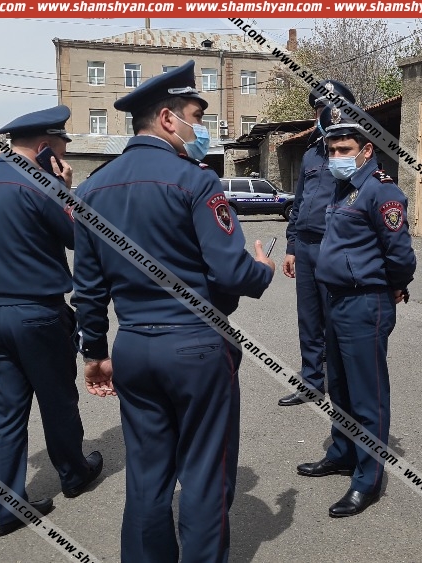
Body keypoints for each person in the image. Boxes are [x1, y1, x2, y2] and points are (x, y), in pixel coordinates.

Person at [72, 61, 275, 562]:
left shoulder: (92, 189)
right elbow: (231, 272)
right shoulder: (195, 182)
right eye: (196, 117)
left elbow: (89, 289)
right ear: (167, 119)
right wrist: (262, 270)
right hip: (196, 346)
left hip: (134, 346)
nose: (201, 129)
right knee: (204, 474)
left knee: (146, 475)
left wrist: (94, 353)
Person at [0, 105, 103, 537]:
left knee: (1, 414)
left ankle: (5, 510)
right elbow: (80, 239)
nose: (64, 157)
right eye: (62, 148)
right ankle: (74, 473)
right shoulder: (42, 186)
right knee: (57, 400)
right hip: (36, 313)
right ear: (46, 147)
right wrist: (64, 191)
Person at [296, 108, 416, 518]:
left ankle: (367, 478)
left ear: (366, 151)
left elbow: (400, 254)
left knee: (368, 394)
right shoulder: (342, 187)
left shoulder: (382, 191)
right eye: (331, 150)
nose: (336, 156)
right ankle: (343, 452)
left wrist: (394, 285)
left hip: (365, 302)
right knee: (341, 387)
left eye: (344, 149)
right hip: (336, 300)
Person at [279, 79, 356, 407]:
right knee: (308, 319)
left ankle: (342, 386)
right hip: (306, 246)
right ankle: (311, 381)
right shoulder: (311, 153)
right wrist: (291, 246)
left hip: (334, 247)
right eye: (320, 110)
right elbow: (299, 203)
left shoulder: (354, 151)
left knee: (335, 318)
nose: (322, 115)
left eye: (329, 109)